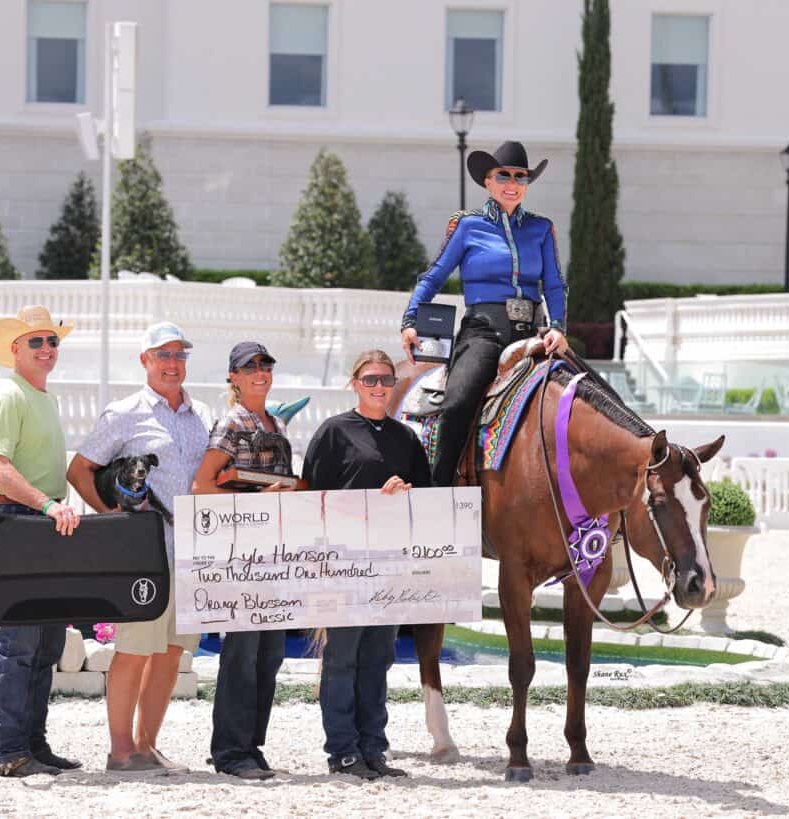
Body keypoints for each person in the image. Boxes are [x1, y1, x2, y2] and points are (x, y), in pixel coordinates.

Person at [67, 322, 213, 775]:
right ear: (144, 361)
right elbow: (79, 470)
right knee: (134, 651)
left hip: (192, 553)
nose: (172, 363)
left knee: (171, 654)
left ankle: (147, 746)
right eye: (162, 354)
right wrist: (111, 519)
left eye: (179, 354)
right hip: (145, 555)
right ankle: (119, 751)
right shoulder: (124, 413)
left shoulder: (203, 415)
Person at [400, 141, 570, 486]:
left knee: (581, 395)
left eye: (520, 177)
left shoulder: (541, 228)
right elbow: (433, 276)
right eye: (503, 175)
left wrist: (558, 327)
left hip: (533, 335)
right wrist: (410, 320)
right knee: (458, 402)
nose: (512, 183)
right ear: (488, 183)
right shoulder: (467, 226)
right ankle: (440, 489)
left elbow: (554, 285)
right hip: (484, 331)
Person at [301, 350, 431, 781]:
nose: (379, 387)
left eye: (386, 381)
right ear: (355, 382)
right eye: (370, 379)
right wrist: (377, 500)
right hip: (342, 562)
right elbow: (312, 502)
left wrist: (404, 496)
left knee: (378, 658)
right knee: (341, 659)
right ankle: (342, 750)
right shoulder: (334, 432)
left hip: (389, 564)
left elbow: (425, 502)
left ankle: (374, 747)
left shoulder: (406, 438)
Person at [0, 305, 81, 778]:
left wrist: (50, 508)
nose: (46, 349)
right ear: (15, 350)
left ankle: (31, 745)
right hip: (20, 521)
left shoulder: (44, 398)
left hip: (42, 521)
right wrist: (47, 504)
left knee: (45, 643)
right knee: (20, 643)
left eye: (51, 341)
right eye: (36, 341)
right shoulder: (7, 394)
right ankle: (6, 749)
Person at [191, 341, 296, 780]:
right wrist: (258, 499)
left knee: (269, 654)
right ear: (233, 377)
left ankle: (250, 744)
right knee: (242, 653)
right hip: (240, 557)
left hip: (273, 553)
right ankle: (231, 750)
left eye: (265, 364)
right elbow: (201, 488)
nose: (260, 371)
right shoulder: (232, 422)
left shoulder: (276, 422)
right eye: (249, 366)